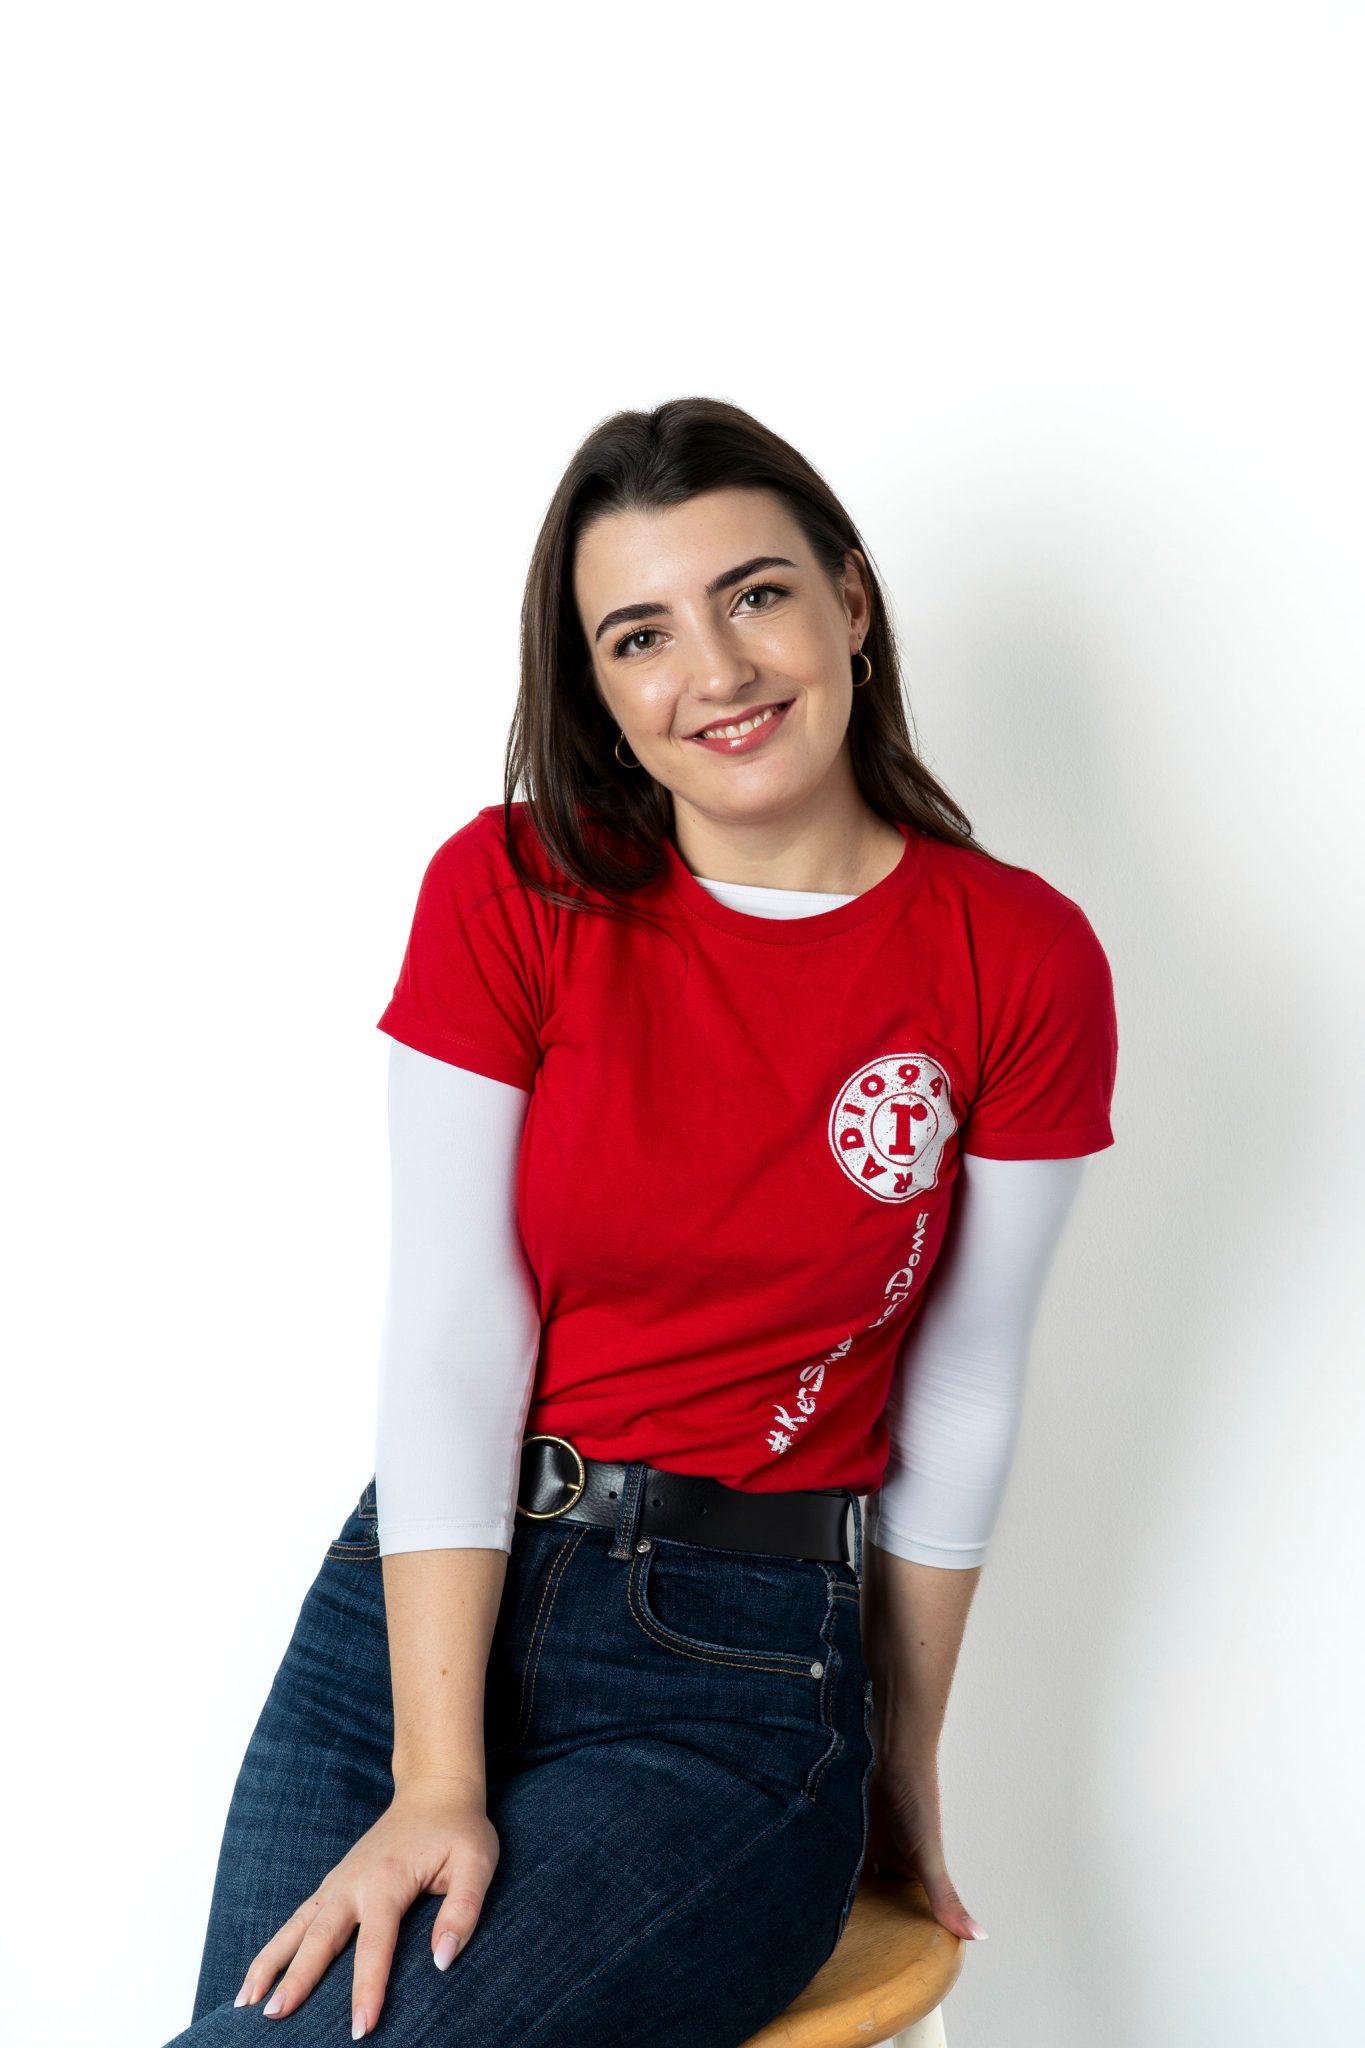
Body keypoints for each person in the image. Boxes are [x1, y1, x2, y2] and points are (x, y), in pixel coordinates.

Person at [163, 397, 1118, 2048]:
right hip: (411, 1622)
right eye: (641, 635)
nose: (717, 671)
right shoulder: (508, 890)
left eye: (755, 595)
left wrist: (899, 1755)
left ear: (849, 600)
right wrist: (436, 1776)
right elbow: (457, 1332)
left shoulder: (1015, 957)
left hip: (732, 1682)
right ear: (597, 689)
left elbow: (962, 1382)